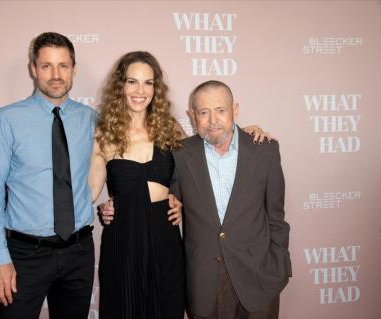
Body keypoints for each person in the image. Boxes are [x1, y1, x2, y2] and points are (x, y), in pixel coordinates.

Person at [90, 52, 271, 319]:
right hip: (123, 239)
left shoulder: (169, 128)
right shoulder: (104, 133)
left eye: (148, 83)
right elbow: (89, 191)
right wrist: (103, 205)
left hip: (165, 239)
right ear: (121, 86)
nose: (140, 91)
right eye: (132, 82)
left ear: (156, 88)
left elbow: (206, 155)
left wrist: (242, 134)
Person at [0, 32, 98, 319]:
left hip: (79, 251)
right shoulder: (5, 120)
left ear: (74, 69)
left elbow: (117, 168)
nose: (56, 75)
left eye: (63, 66)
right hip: (24, 255)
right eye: (46, 66)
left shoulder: (92, 119)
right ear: (33, 69)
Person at [172, 80, 292, 319]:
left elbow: (276, 216)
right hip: (205, 283)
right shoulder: (179, 155)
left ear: (234, 110)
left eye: (221, 110)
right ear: (192, 116)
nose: (213, 120)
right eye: (204, 112)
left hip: (259, 279)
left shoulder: (264, 150)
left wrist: (278, 266)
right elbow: (161, 201)